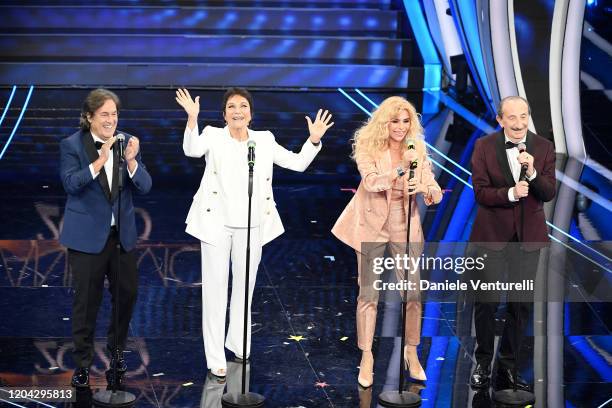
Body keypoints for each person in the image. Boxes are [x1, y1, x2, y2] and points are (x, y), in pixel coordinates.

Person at [175, 87, 333, 378]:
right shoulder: (212, 135)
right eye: (232, 107)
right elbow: (191, 149)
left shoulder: (263, 140)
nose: (238, 111)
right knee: (215, 291)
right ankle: (215, 355)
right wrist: (192, 119)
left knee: (245, 287)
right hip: (216, 224)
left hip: (251, 224)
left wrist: (313, 140)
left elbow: (297, 163)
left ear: (251, 113)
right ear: (224, 115)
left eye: (243, 106)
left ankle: (238, 340)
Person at [331, 96, 442, 388]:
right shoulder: (369, 145)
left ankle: (411, 351)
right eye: (395, 121)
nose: (401, 127)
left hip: (405, 224)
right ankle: (367, 355)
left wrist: (428, 190)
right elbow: (371, 182)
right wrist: (402, 170)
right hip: (372, 224)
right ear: (385, 121)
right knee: (368, 294)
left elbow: (433, 185)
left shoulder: (416, 147)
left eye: (406, 121)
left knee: (413, 293)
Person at [59, 88, 152, 389]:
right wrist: (99, 161)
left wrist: (133, 162)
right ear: (89, 117)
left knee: (127, 295)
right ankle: (83, 363)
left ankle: (116, 353)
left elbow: (146, 185)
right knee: (87, 303)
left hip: (120, 237)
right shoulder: (72, 145)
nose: (111, 120)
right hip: (87, 239)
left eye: (114, 114)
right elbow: (71, 184)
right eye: (104, 115)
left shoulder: (127, 142)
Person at [469, 96, 555, 391]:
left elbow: (547, 193)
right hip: (491, 237)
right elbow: (480, 193)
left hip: (528, 239)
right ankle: (482, 363)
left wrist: (532, 172)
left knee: (520, 306)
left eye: (523, 117)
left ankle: (506, 367)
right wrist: (509, 193)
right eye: (512, 118)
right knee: (486, 303)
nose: (519, 124)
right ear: (500, 119)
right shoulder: (484, 146)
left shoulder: (543, 147)